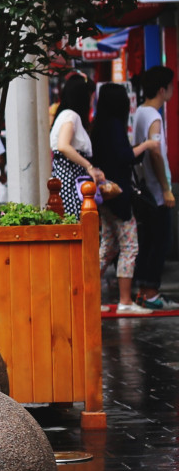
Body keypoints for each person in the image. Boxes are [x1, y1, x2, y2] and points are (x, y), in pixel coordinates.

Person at [91, 83, 155, 315]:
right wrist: (147, 144)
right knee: (130, 246)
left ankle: (90, 296)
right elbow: (125, 156)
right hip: (119, 196)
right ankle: (126, 301)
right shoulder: (115, 125)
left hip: (105, 196)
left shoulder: (98, 125)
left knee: (107, 247)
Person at [133, 65, 176, 310]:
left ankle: (144, 292)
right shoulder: (155, 117)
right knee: (162, 241)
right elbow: (156, 154)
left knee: (149, 241)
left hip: (144, 189)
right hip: (155, 191)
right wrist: (166, 187)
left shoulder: (140, 112)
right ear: (163, 89)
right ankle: (151, 293)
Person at [48, 79, 104, 221]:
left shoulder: (66, 115)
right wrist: (89, 166)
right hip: (70, 182)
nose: (92, 99)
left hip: (68, 179)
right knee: (75, 224)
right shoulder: (71, 116)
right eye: (90, 95)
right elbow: (63, 145)